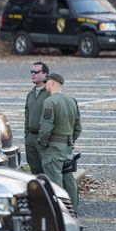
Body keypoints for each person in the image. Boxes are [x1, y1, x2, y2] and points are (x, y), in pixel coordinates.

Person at [38, 73, 82, 211]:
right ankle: (73, 210)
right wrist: (69, 141)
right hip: (67, 147)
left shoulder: (50, 102)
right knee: (69, 180)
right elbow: (78, 127)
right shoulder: (72, 101)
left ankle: (60, 213)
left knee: (55, 183)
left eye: (46, 82)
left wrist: (43, 143)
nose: (45, 85)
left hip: (53, 148)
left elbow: (46, 128)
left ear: (52, 83)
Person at [24, 61, 50, 174]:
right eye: (31, 72)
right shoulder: (30, 94)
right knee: (35, 172)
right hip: (31, 138)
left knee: (48, 171)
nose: (33, 74)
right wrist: (27, 136)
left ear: (45, 74)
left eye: (36, 71)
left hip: (43, 138)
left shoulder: (50, 94)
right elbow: (27, 115)